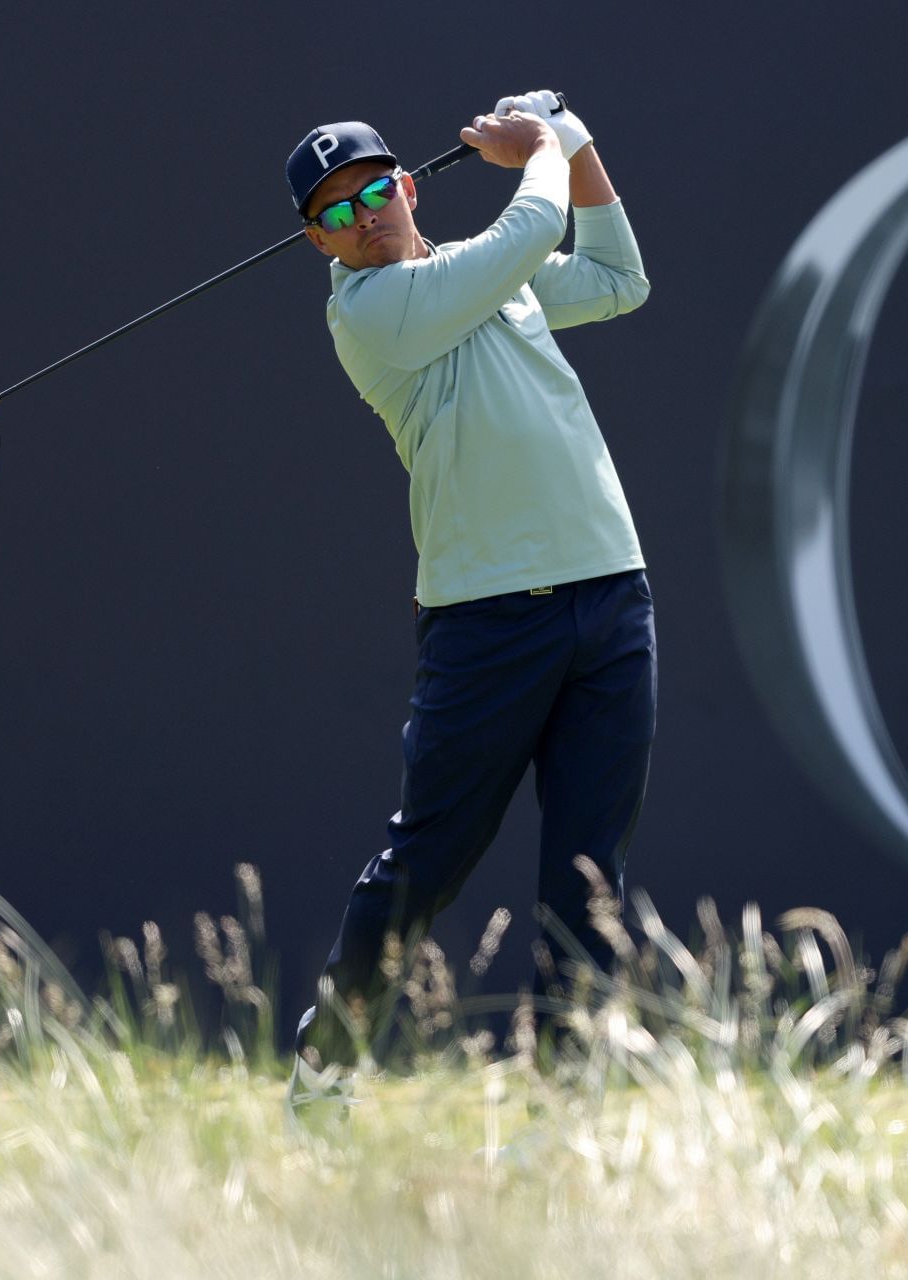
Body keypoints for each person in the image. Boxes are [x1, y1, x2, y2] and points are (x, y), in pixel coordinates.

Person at [281, 91, 654, 1103]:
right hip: (489, 619)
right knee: (430, 858)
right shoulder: (370, 312)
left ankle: (562, 1099)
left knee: (587, 874)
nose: (366, 216)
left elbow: (622, 278)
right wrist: (547, 144)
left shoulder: (492, 281)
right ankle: (329, 1064)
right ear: (319, 240)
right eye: (339, 212)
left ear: (408, 185)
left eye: (377, 190)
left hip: (611, 596)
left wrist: (583, 148)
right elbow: (528, 228)